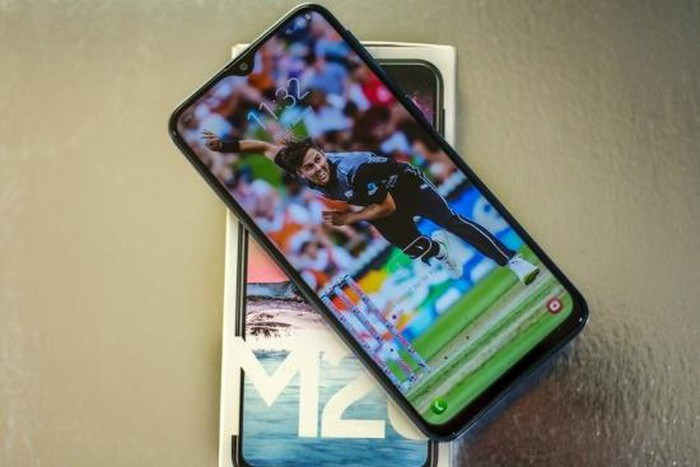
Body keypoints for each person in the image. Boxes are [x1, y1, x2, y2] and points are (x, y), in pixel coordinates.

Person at [201, 131, 540, 283]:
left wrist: (348, 218)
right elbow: (261, 146)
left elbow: (386, 207)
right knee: (414, 248)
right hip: (374, 201)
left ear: (322, 153)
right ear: (298, 172)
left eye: (318, 160)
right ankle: (438, 250)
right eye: (310, 167)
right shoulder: (295, 164)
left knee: (452, 221)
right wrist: (224, 146)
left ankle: (514, 262)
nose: (318, 168)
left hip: (406, 188)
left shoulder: (355, 171)